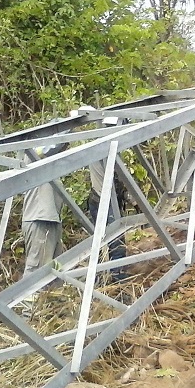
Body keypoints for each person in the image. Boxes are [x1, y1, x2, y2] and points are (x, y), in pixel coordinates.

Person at [88, 116, 128, 282]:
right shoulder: (106, 148)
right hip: (104, 201)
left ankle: (101, 278)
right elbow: (120, 178)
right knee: (116, 242)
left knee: (102, 242)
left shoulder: (99, 145)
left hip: (97, 198)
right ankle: (118, 281)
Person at [21, 145, 66, 280]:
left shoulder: (50, 166)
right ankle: (27, 300)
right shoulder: (33, 152)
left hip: (51, 220)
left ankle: (52, 299)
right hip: (39, 219)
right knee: (35, 273)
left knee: (55, 271)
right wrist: (69, 128)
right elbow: (50, 148)